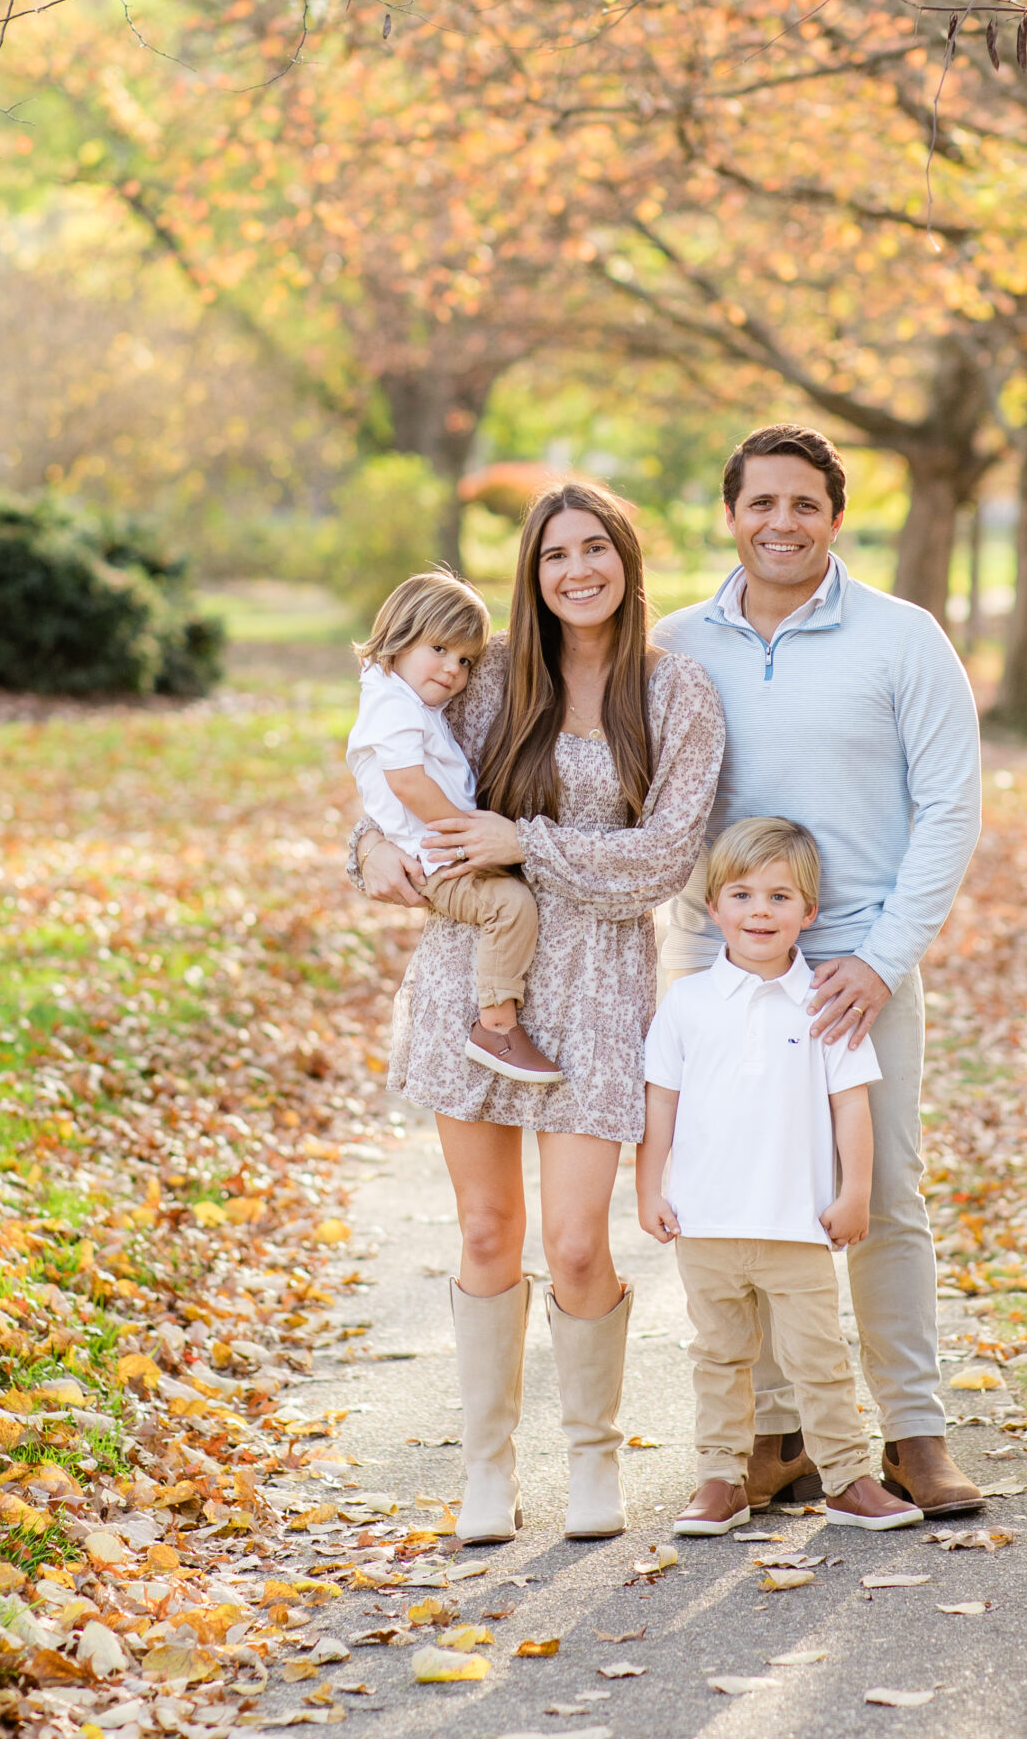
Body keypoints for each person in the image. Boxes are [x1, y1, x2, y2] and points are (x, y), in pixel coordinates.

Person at [349, 482, 725, 1545]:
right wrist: (370, 851)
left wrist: (526, 844)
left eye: (593, 548)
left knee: (570, 1242)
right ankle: (485, 1469)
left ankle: (594, 1457)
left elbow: (663, 858)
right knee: (483, 1228)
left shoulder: (675, 690)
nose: (575, 571)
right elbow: (395, 775)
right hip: (476, 980)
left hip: (601, 985)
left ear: (626, 559)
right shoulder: (484, 676)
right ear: (533, 568)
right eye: (554, 553)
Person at [656, 423, 984, 1518]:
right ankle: (772, 1437)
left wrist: (885, 959)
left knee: (880, 1197)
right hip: (718, 972)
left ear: (836, 518)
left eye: (805, 503)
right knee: (738, 1205)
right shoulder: (674, 646)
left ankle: (914, 1434)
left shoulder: (903, 638)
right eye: (763, 503)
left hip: (856, 974)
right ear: (731, 513)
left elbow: (950, 806)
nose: (782, 522)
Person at [639, 816, 921, 1534]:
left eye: (778, 897)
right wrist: (648, 1187)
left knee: (818, 1358)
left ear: (808, 914)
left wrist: (852, 1192)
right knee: (718, 1357)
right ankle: (719, 1479)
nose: (758, 911)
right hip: (706, 1224)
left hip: (795, 1223)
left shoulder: (825, 1000)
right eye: (740, 895)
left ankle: (848, 1477)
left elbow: (850, 1107)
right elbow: (661, 1104)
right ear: (713, 908)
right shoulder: (687, 1003)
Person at [345, 570, 561, 1085]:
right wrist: (470, 833)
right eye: (439, 648)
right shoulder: (392, 705)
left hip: (441, 848)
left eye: (465, 661)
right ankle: (497, 1027)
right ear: (398, 637)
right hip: (437, 860)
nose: (452, 670)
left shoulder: (411, 701)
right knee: (508, 905)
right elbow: (408, 785)